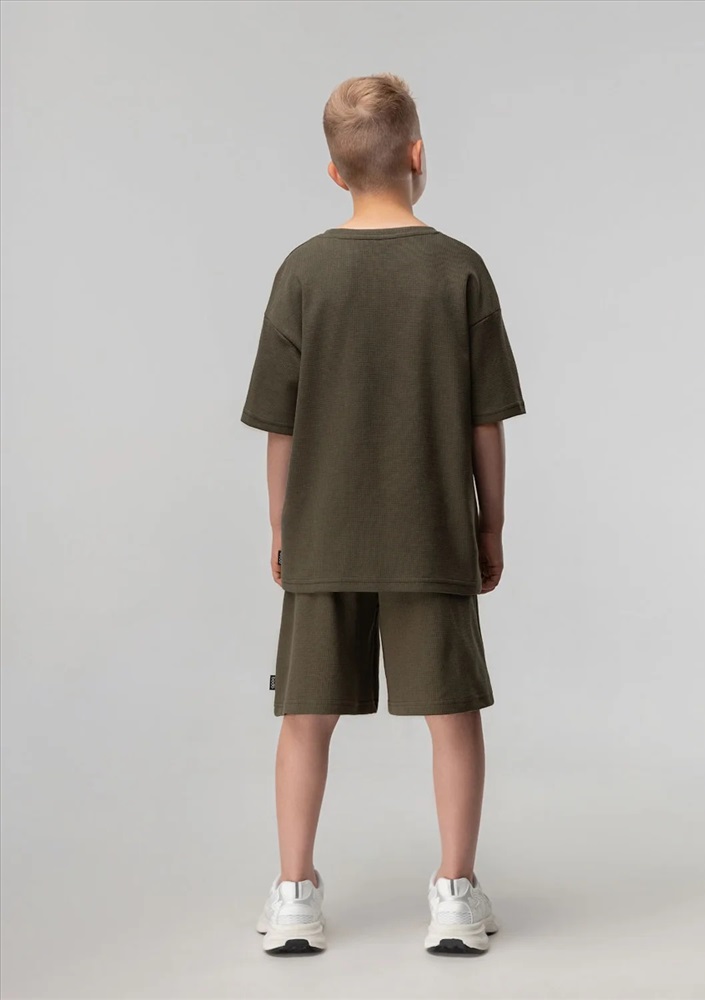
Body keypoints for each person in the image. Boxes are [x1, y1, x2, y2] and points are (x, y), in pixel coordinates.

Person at [241, 72, 526, 956]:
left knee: (304, 717)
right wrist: (489, 525)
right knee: (453, 715)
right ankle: (455, 892)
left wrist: (282, 529)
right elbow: (485, 422)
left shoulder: (302, 271)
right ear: (417, 155)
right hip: (431, 530)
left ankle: (294, 893)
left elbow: (281, 427)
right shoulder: (459, 269)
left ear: (334, 172)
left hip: (323, 533)